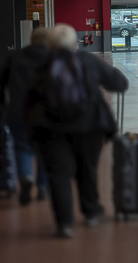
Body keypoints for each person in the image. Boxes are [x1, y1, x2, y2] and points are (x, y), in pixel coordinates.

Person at [30, 24, 128, 238]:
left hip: (51, 130)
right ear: (75, 43)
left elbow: (28, 101)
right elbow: (118, 83)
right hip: (89, 126)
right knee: (87, 169)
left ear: (50, 44)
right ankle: (91, 211)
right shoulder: (88, 61)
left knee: (59, 175)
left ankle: (64, 223)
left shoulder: (41, 65)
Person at [0, 28, 50, 205]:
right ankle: (43, 186)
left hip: (18, 111)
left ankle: (26, 177)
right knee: (45, 148)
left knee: (22, 147)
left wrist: (5, 106)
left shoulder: (15, 57)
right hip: (46, 112)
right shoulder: (53, 58)